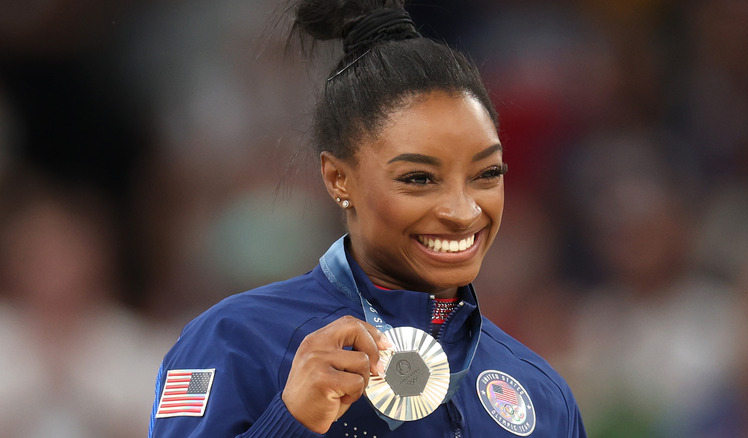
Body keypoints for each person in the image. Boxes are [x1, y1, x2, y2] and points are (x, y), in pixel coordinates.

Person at [148, 1, 586, 436]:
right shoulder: (235, 342)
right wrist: (292, 422)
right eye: (418, 178)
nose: (463, 211)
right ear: (339, 179)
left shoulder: (542, 394)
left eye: (487, 174)